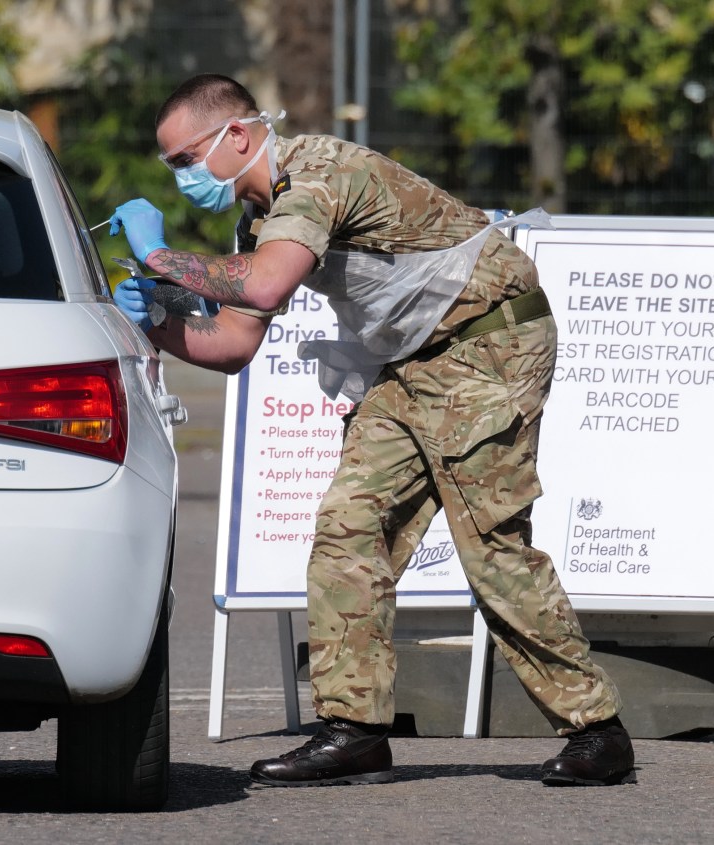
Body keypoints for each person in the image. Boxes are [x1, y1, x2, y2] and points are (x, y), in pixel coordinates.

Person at [109, 73, 636, 788]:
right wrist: (158, 320)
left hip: (488, 345)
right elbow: (233, 345)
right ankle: (353, 730)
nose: (180, 179)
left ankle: (597, 732)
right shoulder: (260, 218)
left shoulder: (320, 173)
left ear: (237, 135)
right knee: (348, 527)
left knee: (491, 548)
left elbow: (262, 286)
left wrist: (161, 259)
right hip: (412, 364)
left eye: (184, 160)